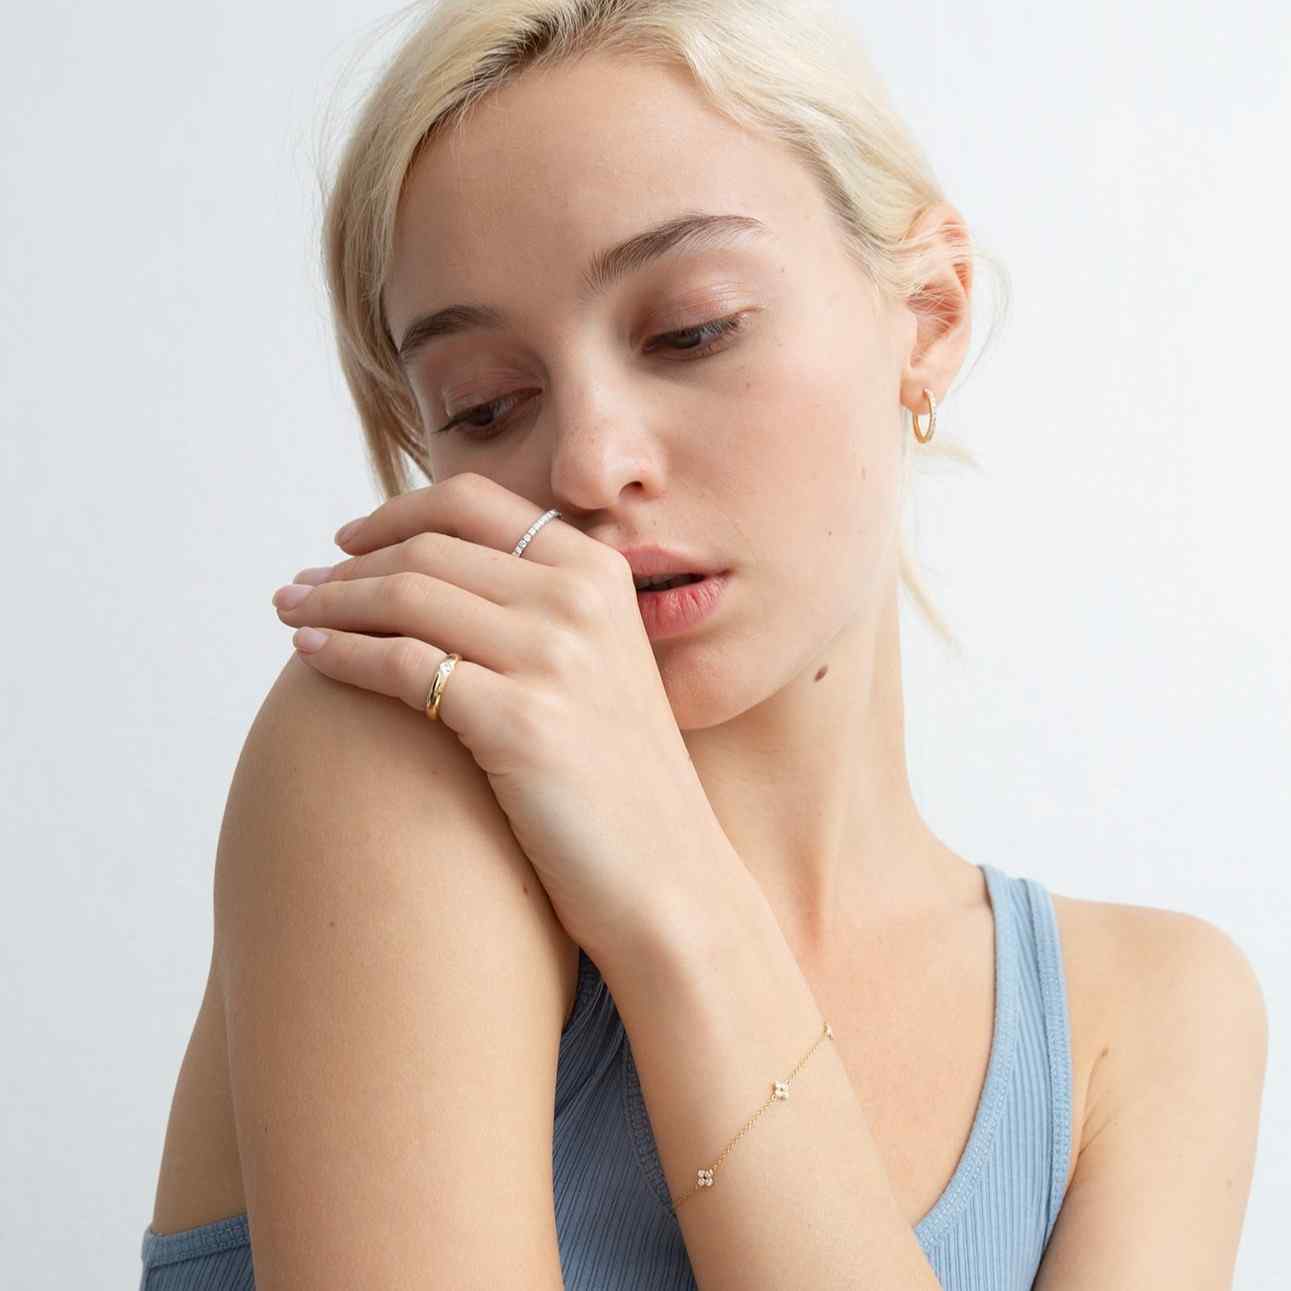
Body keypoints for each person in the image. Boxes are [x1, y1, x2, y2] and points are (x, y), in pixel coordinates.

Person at [139, 2, 1267, 1288]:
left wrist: (678, 895)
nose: (587, 463)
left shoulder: (1151, 1020)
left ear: (930, 314)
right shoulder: (389, 761)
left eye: (691, 330)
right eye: (485, 405)